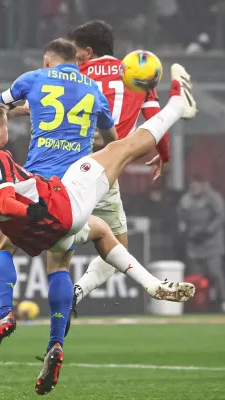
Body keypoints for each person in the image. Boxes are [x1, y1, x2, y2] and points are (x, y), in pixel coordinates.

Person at [0, 63, 197, 394]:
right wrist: (37, 209)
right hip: (60, 203)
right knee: (122, 149)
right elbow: (7, 198)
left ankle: (10, 316)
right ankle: (178, 104)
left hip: (32, 231)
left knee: (95, 231)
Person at [65, 20, 170, 329]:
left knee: (59, 236)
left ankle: (68, 295)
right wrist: (163, 155)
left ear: (88, 50)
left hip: (70, 160)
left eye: (76, 51)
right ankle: (75, 292)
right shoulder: (137, 73)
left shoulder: (77, 74)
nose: (75, 58)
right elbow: (156, 120)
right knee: (117, 249)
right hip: (106, 166)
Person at [177, 175, 225, 314]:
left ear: (204, 185)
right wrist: (184, 229)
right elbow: (181, 216)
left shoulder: (213, 197)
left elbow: (221, 216)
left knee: (215, 272)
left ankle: (224, 302)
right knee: (196, 276)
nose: (194, 188)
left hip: (211, 243)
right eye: (192, 185)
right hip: (194, 243)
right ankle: (197, 304)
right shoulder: (186, 199)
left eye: (197, 185)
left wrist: (208, 230)